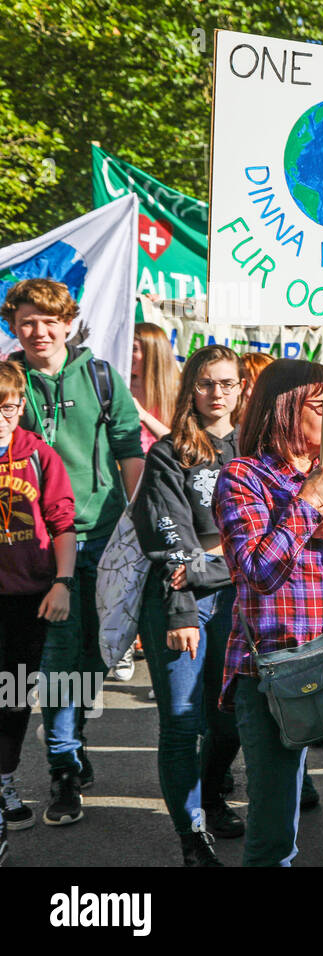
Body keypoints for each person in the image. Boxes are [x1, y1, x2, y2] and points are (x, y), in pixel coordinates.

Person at [213, 359, 323, 867]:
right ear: (287, 409)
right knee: (272, 834)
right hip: (272, 671)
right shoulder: (241, 478)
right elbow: (257, 572)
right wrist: (308, 503)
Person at [3, 278, 144, 827]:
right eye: (25, 322)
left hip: (105, 538)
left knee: (95, 653)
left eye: (47, 320)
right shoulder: (8, 379)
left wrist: (141, 531)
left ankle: (72, 736)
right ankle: (62, 768)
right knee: (58, 657)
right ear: (14, 328)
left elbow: (130, 453)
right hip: (39, 546)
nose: (38, 331)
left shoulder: (102, 378)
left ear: (68, 322)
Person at [132, 345, 245, 865]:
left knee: (229, 719)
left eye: (226, 383)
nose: (216, 393)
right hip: (182, 606)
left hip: (240, 605)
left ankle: (213, 791)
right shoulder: (169, 451)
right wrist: (181, 606)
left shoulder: (255, 448)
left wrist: (217, 556)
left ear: (242, 387)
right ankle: (190, 834)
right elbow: (169, 540)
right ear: (190, 389)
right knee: (180, 721)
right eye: (205, 383)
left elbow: (263, 538)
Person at [0, 361, 76, 848]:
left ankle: (4, 781)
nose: (2, 418)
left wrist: (63, 582)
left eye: (9, 408)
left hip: (27, 597)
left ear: (21, 406)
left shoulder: (39, 456)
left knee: (10, 696)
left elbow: (63, 522)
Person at [130, 322, 179, 454]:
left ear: (153, 353)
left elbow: (179, 445)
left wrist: (143, 416)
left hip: (159, 467)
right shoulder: (120, 387)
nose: (127, 354)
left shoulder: (176, 395)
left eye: (134, 349)